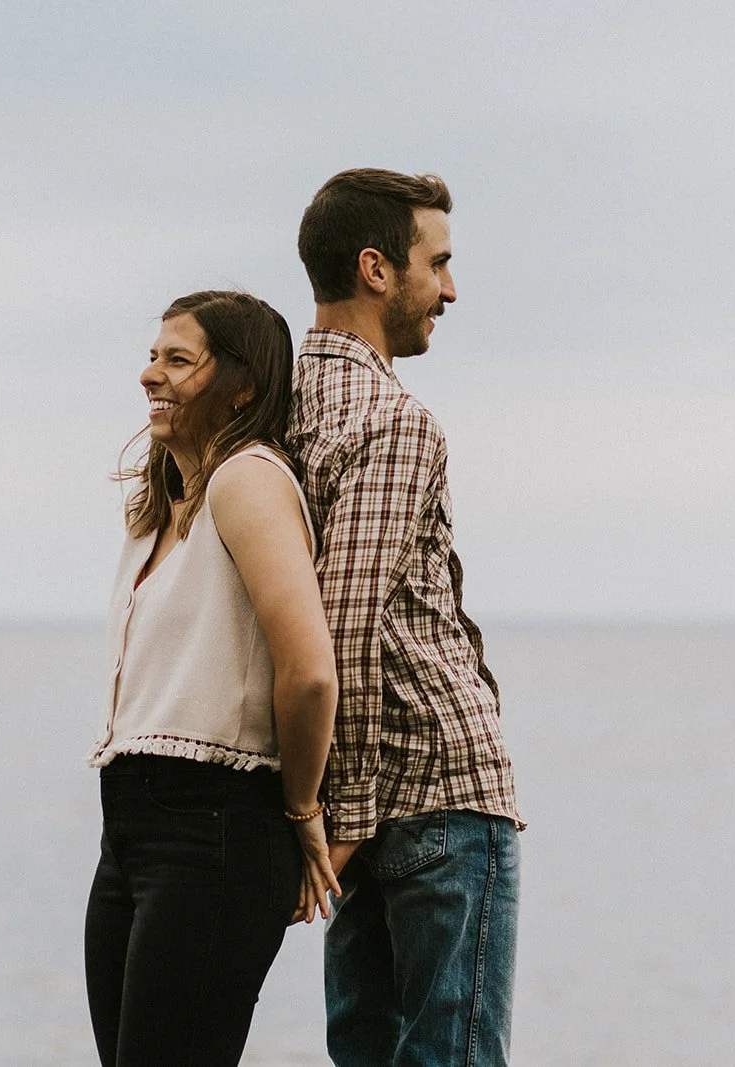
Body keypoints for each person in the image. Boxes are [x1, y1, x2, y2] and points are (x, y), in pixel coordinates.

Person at [288, 169, 525, 1066]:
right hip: (434, 789)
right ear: (377, 269)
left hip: (357, 793)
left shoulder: (272, 412)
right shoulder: (392, 417)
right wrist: (336, 821)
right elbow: (341, 621)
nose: (451, 291)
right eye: (441, 263)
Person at [84, 290, 341, 1067]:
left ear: (243, 385)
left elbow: (310, 674)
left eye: (176, 360)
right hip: (131, 828)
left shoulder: (249, 480)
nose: (148, 375)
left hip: (217, 827)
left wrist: (300, 807)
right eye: (152, 355)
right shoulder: (157, 506)